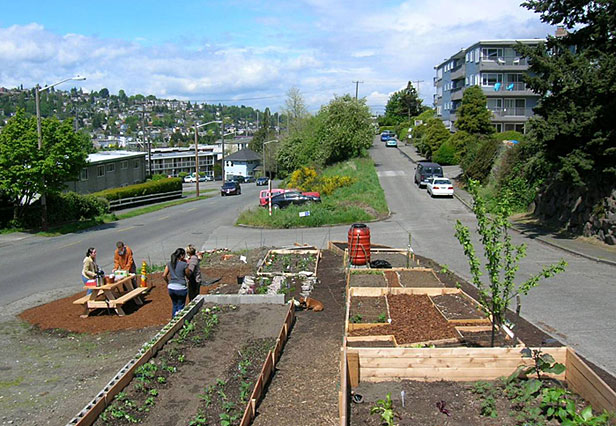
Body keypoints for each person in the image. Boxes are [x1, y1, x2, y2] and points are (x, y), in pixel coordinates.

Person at [162, 248, 189, 317]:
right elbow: (188, 274)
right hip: (181, 287)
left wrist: (168, 282)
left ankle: (173, 318)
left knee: (175, 305)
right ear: (182, 255)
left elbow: (164, 275)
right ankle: (179, 320)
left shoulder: (169, 263)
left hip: (171, 287)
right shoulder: (184, 264)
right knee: (181, 305)